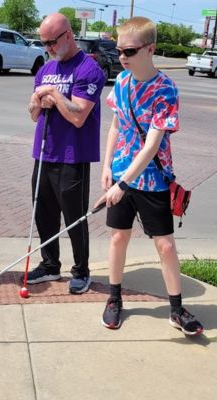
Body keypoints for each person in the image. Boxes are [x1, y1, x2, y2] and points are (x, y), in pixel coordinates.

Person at [95, 17, 203, 335]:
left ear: (150, 49)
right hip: (120, 174)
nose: (122, 57)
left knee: (165, 246)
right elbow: (116, 125)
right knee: (118, 237)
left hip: (151, 178)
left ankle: (176, 308)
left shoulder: (166, 89)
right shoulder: (123, 84)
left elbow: (153, 143)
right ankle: (114, 299)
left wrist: (123, 183)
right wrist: (107, 167)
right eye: (119, 50)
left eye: (129, 50)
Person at [26, 13, 106, 294]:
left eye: (51, 41)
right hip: (44, 153)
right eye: (43, 42)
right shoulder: (45, 69)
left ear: (68, 35)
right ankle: (50, 264)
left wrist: (54, 96)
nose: (47, 47)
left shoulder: (88, 69)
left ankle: (81, 270)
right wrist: (38, 100)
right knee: (44, 213)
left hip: (73, 156)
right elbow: (34, 114)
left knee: (74, 217)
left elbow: (79, 116)